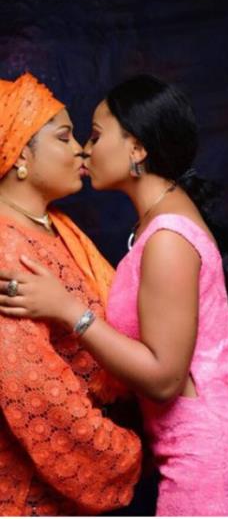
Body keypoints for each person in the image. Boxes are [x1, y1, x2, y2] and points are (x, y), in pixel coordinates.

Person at [0, 75, 228, 516]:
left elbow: (165, 378)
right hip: (180, 447)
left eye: (94, 136)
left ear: (136, 149)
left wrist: (68, 310)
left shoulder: (167, 235)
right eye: (71, 137)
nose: (84, 150)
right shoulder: (155, 223)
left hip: (205, 453)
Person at [0, 72, 141, 516]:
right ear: (21, 152)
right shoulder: (5, 244)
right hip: (28, 487)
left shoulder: (54, 227)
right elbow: (29, 387)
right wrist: (122, 453)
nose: (80, 148)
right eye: (64, 137)